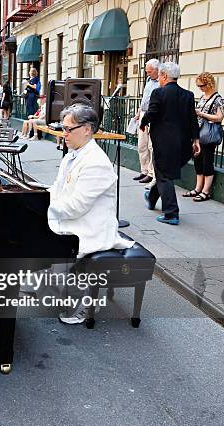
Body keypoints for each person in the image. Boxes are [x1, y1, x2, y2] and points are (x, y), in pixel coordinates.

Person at [48, 104, 134, 324]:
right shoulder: (72, 155)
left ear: (87, 129)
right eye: (62, 128)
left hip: (89, 227)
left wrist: (44, 208)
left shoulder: (96, 162)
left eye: (68, 129)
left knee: (38, 238)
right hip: (73, 218)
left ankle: (83, 302)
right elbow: (57, 188)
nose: (63, 134)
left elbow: (77, 206)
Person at [140, 62, 200, 225]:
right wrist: (196, 140)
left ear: (165, 76)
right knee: (163, 174)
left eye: (159, 75)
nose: (158, 78)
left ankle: (171, 213)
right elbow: (193, 119)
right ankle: (152, 196)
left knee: (164, 176)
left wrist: (142, 122)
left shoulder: (158, 93)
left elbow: (152, 113)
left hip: (163, 143)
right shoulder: (188, 95)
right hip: (183, 144)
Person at [182, 72, 224, 203]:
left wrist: (202, 114)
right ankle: (198, 188)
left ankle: (206, 191)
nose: (200, 88)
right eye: (198, 85)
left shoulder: (217, 98)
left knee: (207, 163)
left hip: (208, 135)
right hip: (198, 133)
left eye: (202, 85)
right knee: (198, 162)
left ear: (209, 83)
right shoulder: (202, 96)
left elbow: (219, 117)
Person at [133, 59, 160, 186]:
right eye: (147, 72)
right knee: (141, 145)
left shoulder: (161, 82)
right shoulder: (149, 80)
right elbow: (144, 98)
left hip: (153, 115)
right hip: (144, 113)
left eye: (150, 72)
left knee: (151, 146)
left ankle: (151, 173)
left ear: (157, 70)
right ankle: (144, 171)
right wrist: (139, 112)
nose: (148, 74)